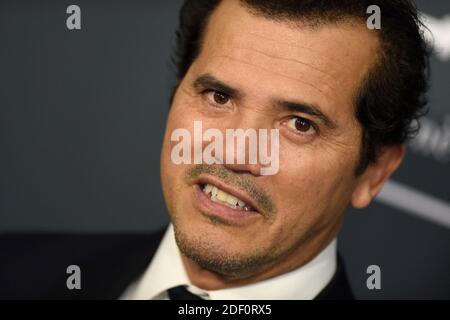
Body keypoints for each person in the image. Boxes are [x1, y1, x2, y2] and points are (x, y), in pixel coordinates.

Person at [0, 0, 429, 300]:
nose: (234, 151)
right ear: (175, 95)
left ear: (374, 172)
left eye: (300, 125)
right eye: (218, 97)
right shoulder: (15, 269)